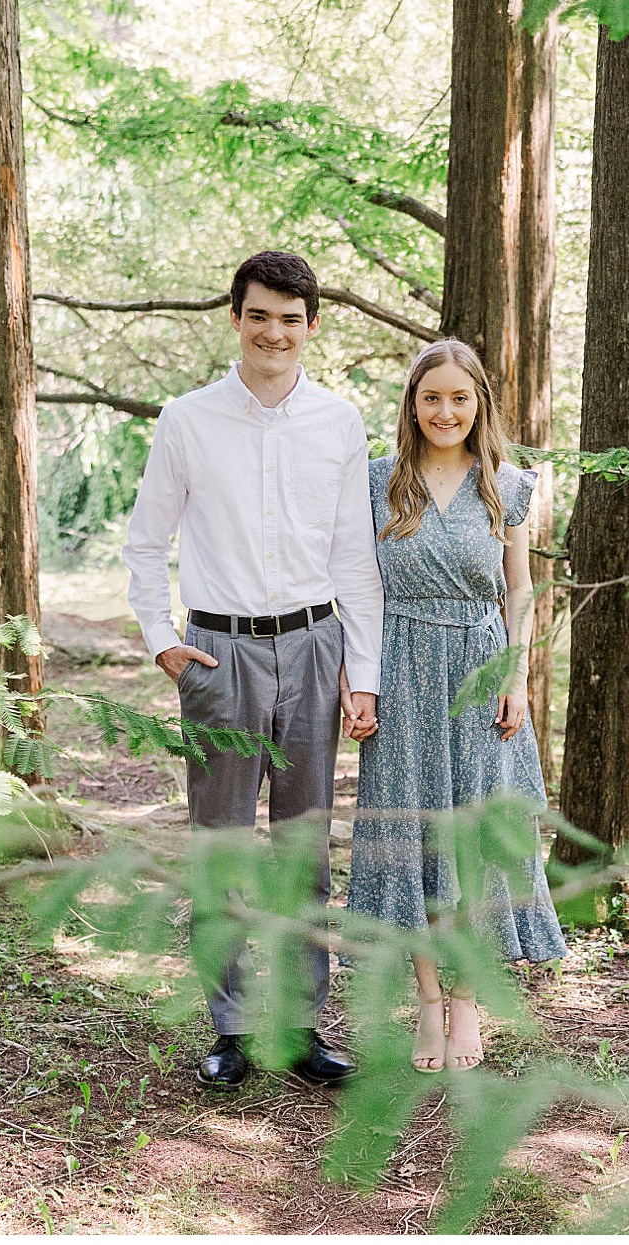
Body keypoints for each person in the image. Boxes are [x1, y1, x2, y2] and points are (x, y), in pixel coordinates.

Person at [122, 250, 384, 1089]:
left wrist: (364, 669)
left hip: (314, 646)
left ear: (312, 325)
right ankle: (230, 1029)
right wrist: (163, 637)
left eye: (292, 317)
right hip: (219, 650)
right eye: (261, 314)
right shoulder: (188, 419)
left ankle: (303, 1026)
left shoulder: (339, 422)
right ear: (235, 317)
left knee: (304, 845)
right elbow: (144, 539)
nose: (276, 331)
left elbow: (353, 554)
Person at [346, 338, 567, 1073]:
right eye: (432, 396)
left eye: (460, 398)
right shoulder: (379, 481)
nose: (446, 410)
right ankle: (427, 1003)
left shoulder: (506, 484)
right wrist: (361, 681)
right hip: (404, 666)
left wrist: (517, 678)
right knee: (414, 834)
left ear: (480, 405)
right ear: (413, 403)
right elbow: (362, 590)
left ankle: (468, 1002)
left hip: (480, 666)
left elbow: (519, 591)